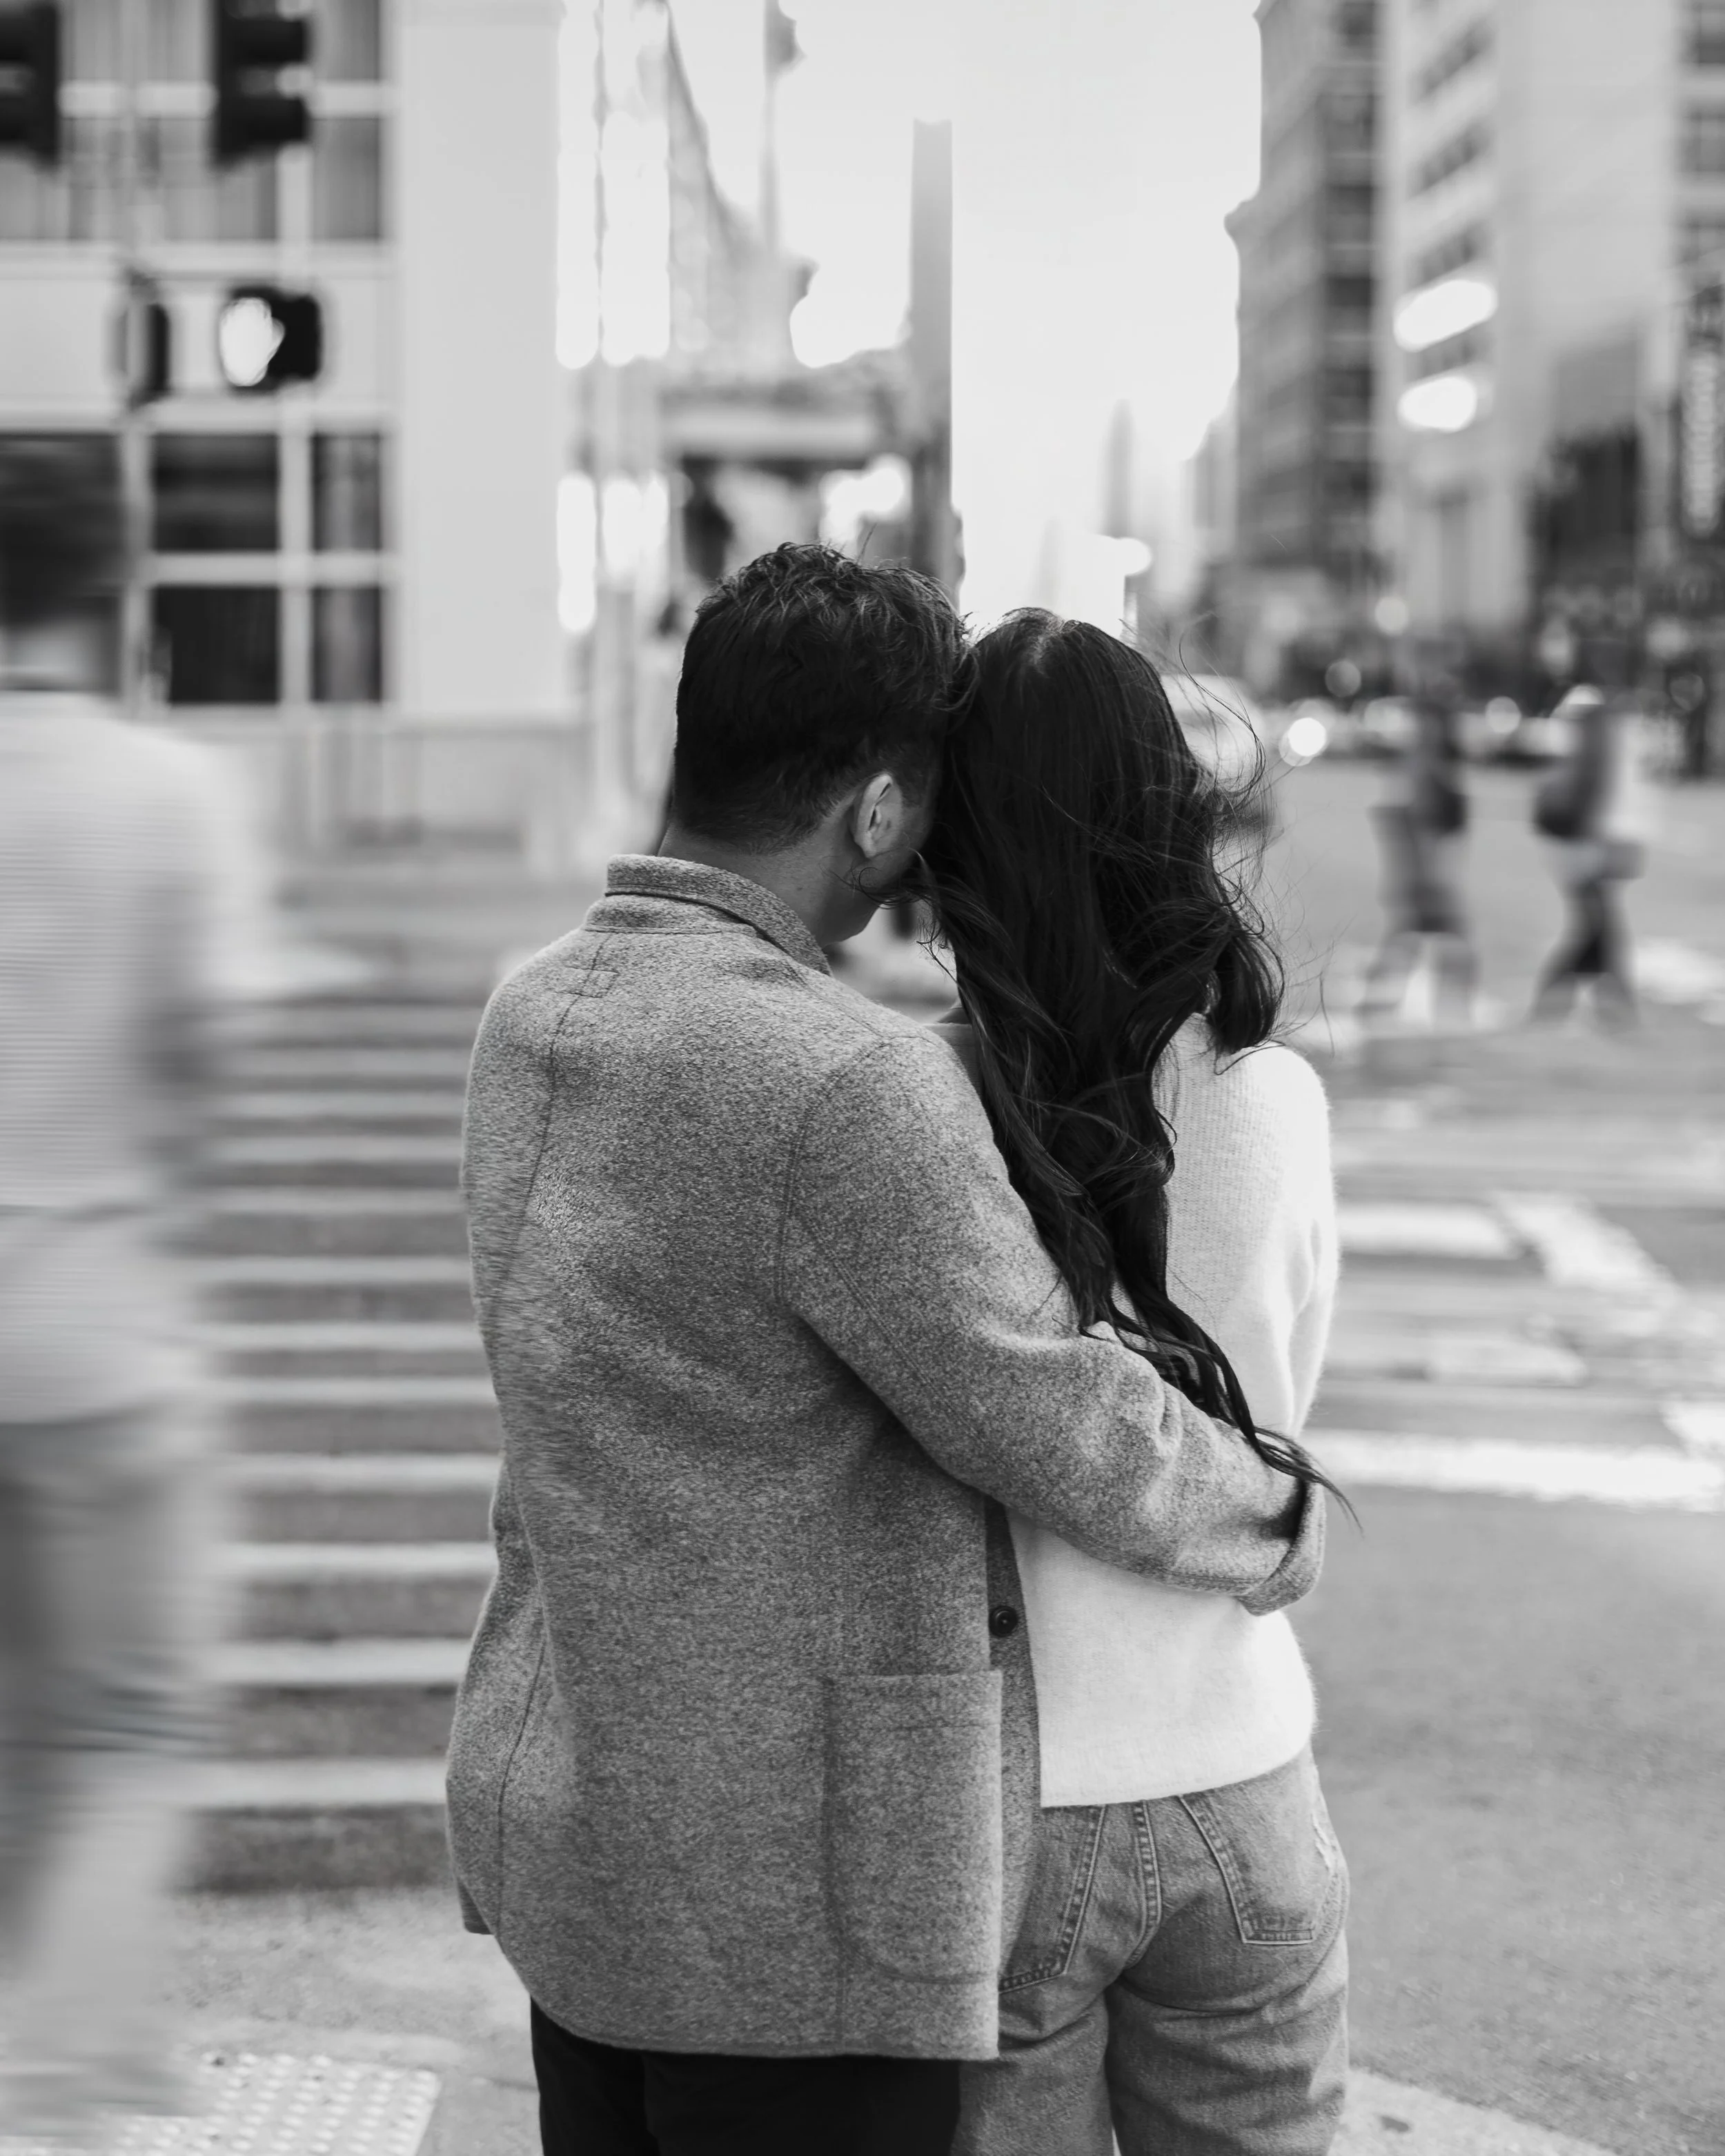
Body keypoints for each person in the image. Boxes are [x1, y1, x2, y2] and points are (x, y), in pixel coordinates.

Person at [446, 544, 1327, 2156]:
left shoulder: (533, 1017)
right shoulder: (842, 1083)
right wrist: (1278, 1514)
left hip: (581, 1847)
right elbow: (1053, 1415)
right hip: (798, 1914)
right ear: (873, 810)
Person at [918, 612, 1350, 2156]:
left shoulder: (916, 1104)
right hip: (1241, 1765)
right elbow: (1278, 1387)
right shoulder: (1272, 1099)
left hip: (1013, 1805)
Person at [0, 440, 242, 2137]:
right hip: (93, 1343)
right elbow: (197, 1074)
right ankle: (67, 2076)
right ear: (115, 593)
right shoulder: (165, 799)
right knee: (131, 1708)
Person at [1530, 683, 1654, 1026]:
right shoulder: (1595, 747)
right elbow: (1594, 802)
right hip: (1589, 851)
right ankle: (1598, 1004)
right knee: (1598, 929)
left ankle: (1594, 1004)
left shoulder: (1590, 745)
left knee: (1598, 929)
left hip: (1588, 849)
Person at [1359, 684, 1475, 1032]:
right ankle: (1451, 1014)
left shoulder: (1430, 764)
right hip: (1428, 873)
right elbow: (1417, 822)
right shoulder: (1427, 767)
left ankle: (1379, 1010)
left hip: (1427, 870)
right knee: (1441, 945)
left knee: (1407, 942)